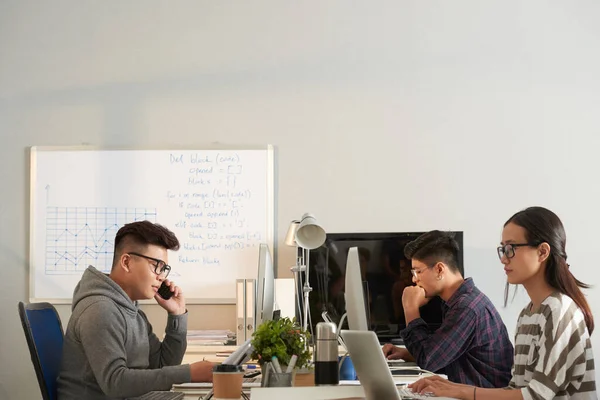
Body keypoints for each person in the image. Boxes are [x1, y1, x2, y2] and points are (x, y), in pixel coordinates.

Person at [409, 207, 597, 399]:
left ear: (542, 252)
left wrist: (461, 390)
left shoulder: (560, 310)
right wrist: (450, 386)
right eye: (503, 249)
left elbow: (537, 395)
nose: (504, 259)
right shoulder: (528, 314)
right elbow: (514, 388)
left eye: (511, 248)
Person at [57, 221, 214, 399]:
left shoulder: (132, 311)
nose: (161, 277)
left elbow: (163, 365)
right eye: (156, 265)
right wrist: (189, 373)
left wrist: (176, 315)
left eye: (164, 269)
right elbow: (115, 382)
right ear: (126, 262)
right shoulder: (100, 310)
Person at [382, 230, 514, 388]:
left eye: (418, 271)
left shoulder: (467, 308)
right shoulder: (458, 302)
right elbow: (446, 356)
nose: (414, 279)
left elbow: (429, 361)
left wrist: (410, 309)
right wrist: (407, 355)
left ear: (439, 269)